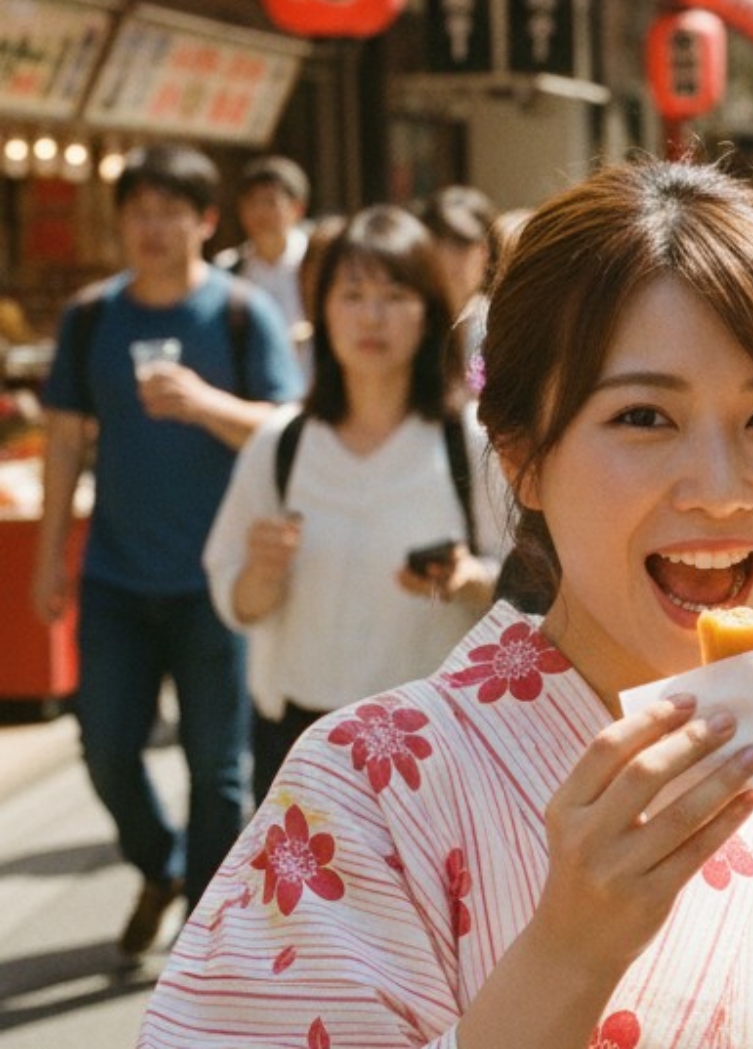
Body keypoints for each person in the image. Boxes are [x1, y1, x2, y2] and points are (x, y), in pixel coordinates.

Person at [139, 160, 753, 1047]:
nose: (720, 489)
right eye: (643, 417)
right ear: (521, 452)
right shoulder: (370, 789)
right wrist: (571, 945)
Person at [32, 144, 305, 960]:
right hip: (115, 575)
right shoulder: (91, 319)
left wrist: (203, 403)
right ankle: (162, 862)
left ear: (204, 220)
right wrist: (51, 557)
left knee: (216, 768)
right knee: (106, 746)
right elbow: (61, 442)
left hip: (216, 582)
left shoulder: (238, 313)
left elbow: (289, 431)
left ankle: (203, 942)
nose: (151, 229)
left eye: (169, 212)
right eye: (137, 213)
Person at [203, 206, 506, 801]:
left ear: (429, 311)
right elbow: (234, 597)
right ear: (322, 311)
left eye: (395, 294)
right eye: (352, 294)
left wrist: (469, 579)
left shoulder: (469, 444)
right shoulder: (281, 444)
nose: (372, 316)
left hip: (435, 742)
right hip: (300, 745)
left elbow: (528, 586)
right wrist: (262, 574)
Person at [214, 155, 312, 376]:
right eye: (251, 202)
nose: (259, 213)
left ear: (297, 208)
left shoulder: (316, 260)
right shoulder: (228, 268)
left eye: (270, 202)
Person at [415, 183, 497, 359]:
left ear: (484, 253)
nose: (444, 257)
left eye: (459, 244)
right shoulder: (412, 325)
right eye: (435, 240)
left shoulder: (495, 328)